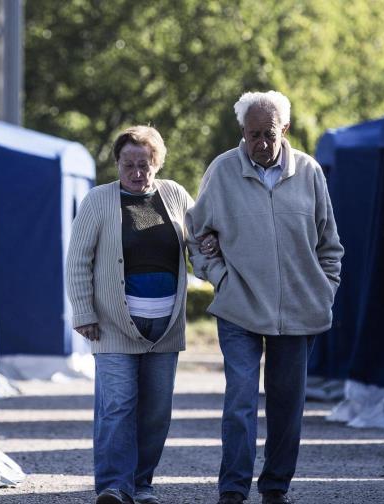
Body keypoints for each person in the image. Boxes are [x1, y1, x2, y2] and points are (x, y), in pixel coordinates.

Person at [186, 91, 344, 504]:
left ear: (284, 130)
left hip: (298, 308)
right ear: (243, 132)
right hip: (239, 307)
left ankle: (275, 487)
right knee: (240, 397)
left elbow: (330, 244)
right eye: (252, 134)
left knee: (287, 406)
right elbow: (196, 234)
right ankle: (233, 489)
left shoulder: (310, 172)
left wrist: (325, 289)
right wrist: (219, 277)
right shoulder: (222, 171)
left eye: (268, 134)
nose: (260, 142)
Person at [66, 125, 216, 504]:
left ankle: (142, 483)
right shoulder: (98, 200)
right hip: (114, 325)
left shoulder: (175, 195)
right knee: (117, 406)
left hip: (165, 327)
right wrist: (84, 310)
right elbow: (77, 261)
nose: (136, 172)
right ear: (117, 163)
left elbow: (198, 241)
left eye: (144, 164)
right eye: (128, 164)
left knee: (155, 412)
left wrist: (209, 247)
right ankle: (115, 486)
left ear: (157, 163)